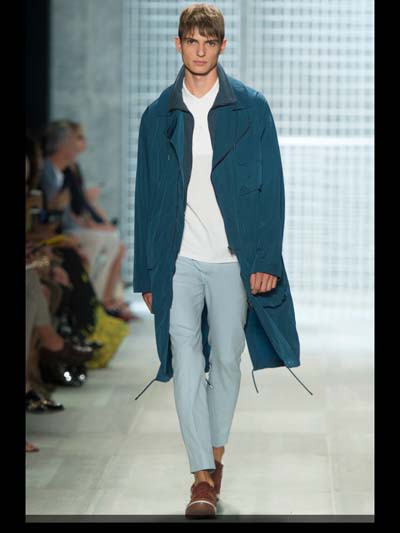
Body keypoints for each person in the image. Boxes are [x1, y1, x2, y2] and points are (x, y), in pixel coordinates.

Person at [133, 3, 305, 519]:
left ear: (222, 46)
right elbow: (146, 197)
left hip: (233, 259)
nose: (200, 50)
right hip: (178, 258)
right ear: (178, 44)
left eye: (209, 42)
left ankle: (215, 455)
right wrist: (145, 274)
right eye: (192, 40)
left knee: (227, 358)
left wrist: (266, 258)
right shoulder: (158, 115)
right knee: (186, 361)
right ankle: (201, 479)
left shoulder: (251, 108)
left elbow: (272, 188)